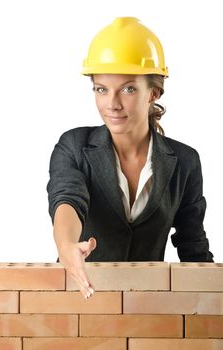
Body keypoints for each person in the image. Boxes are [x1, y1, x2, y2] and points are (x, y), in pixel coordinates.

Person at [47, 17, 214, 299]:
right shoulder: (74, 146)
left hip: (148, 307)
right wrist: (66, 246)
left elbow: (192, 246)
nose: (112, 103)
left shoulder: (185, 162)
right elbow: (68, 200)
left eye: (128, 88)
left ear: (154, 92)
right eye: (101, 89)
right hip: (81, 300)